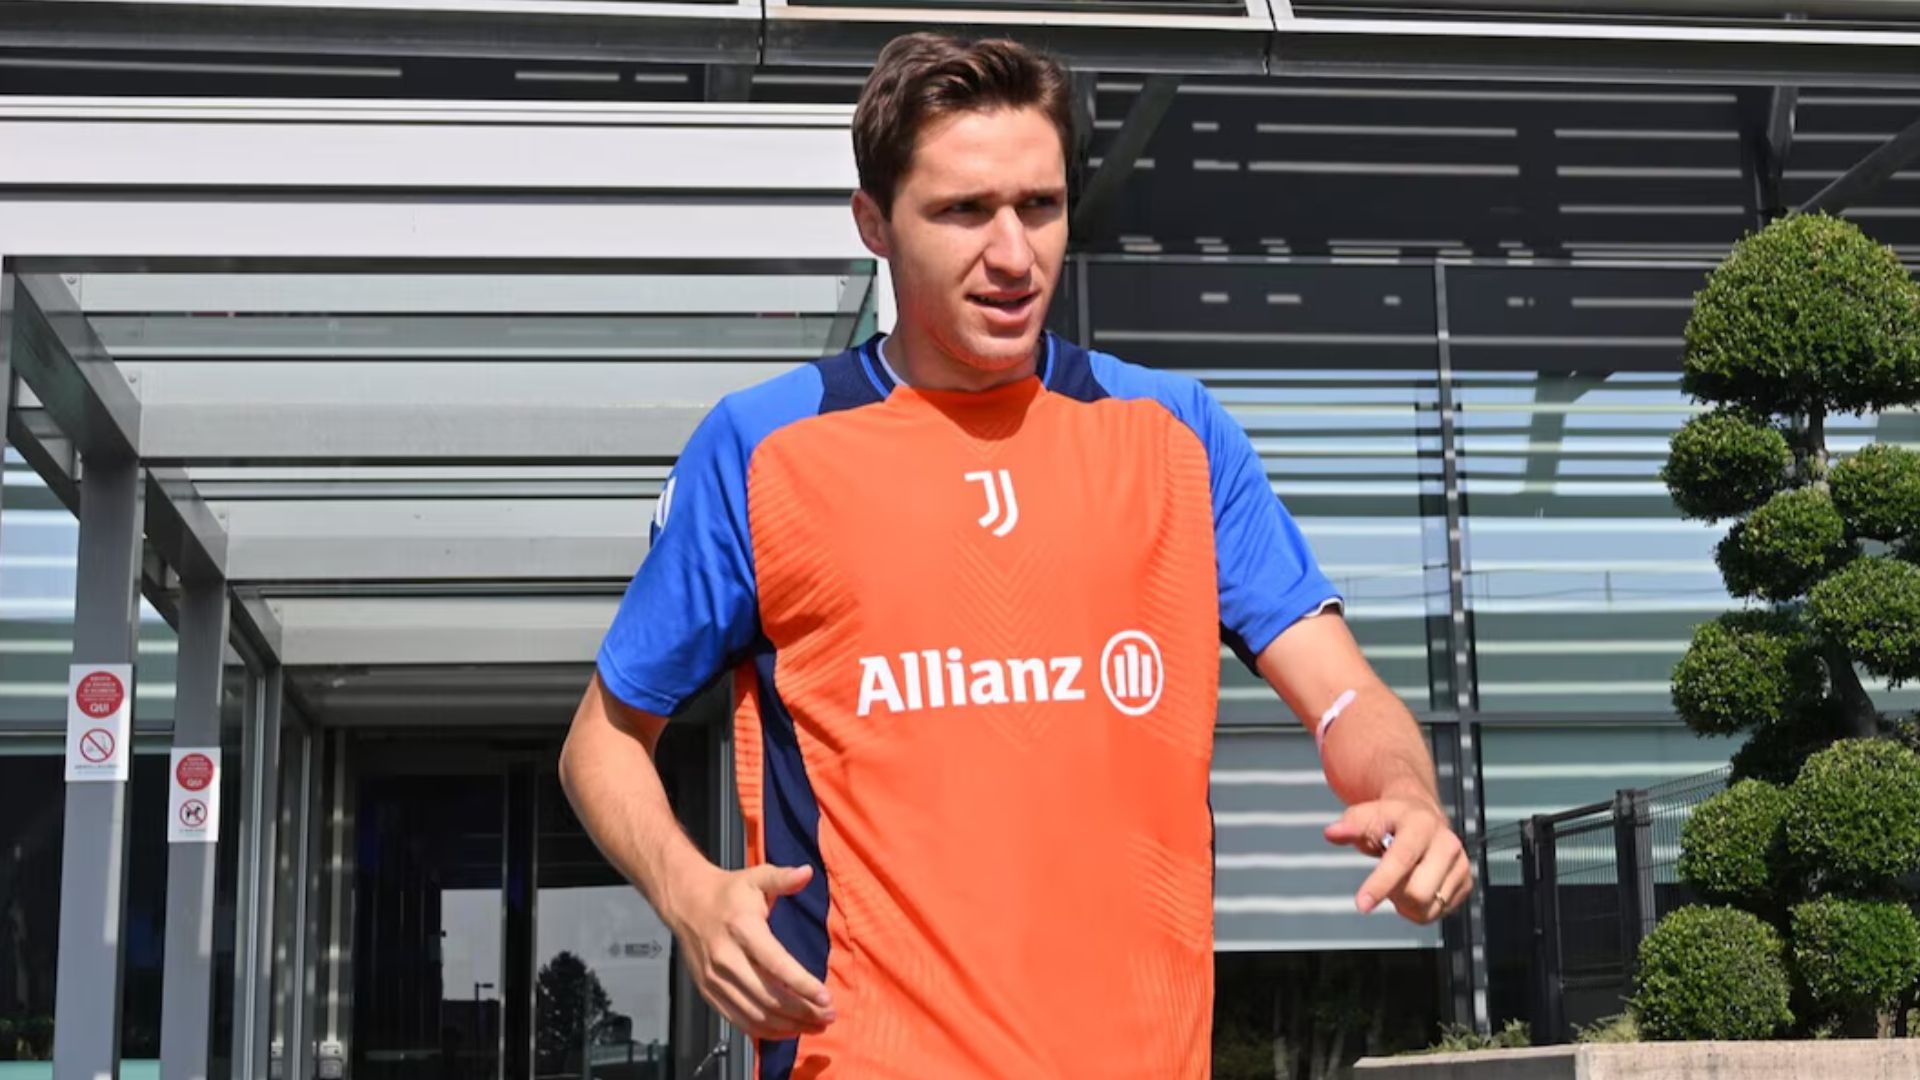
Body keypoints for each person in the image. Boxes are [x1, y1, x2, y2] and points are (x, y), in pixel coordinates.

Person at [560, 31, 1470, 1079]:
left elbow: (1346, 697)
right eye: (963, 211)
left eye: (1039, 206)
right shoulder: (765, 448)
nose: (1013, 255)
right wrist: (689, 893)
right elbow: (602, 742)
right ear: (873, 224)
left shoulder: (1177, 434)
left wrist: (1408, 792)